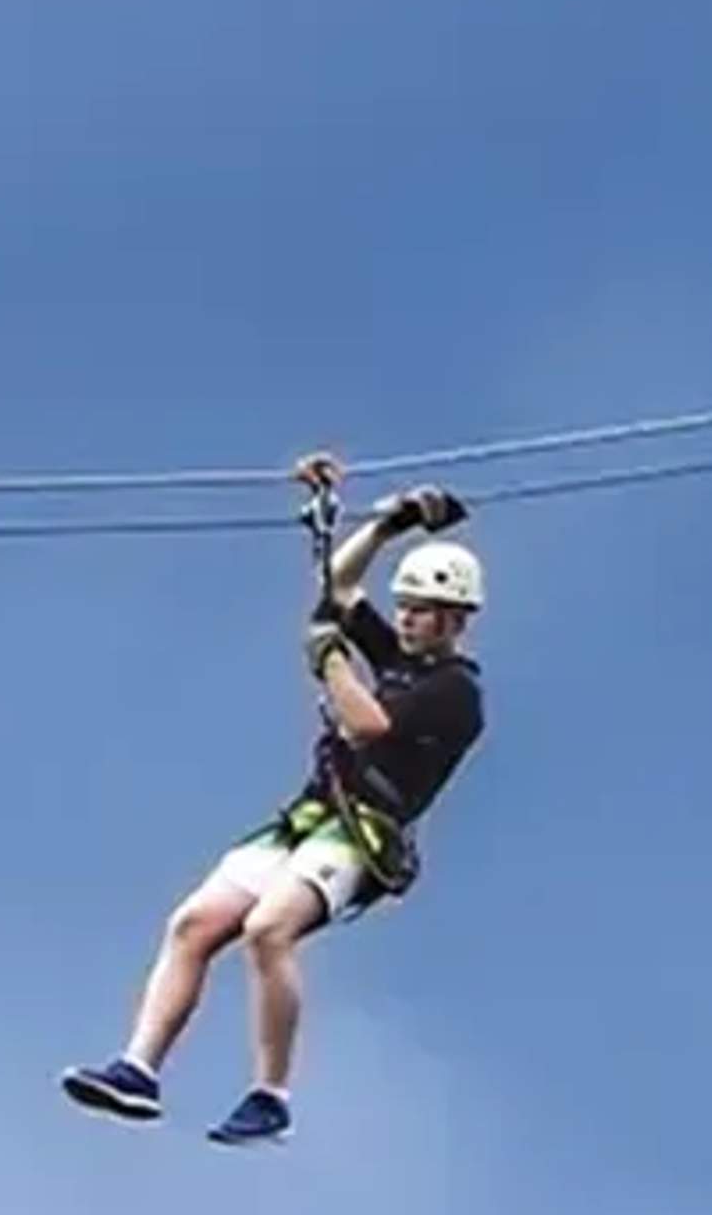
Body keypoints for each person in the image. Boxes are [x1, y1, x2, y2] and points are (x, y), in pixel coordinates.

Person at [58, 451, 488, 1146]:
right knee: (195, 923)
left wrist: (328, 658)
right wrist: (386, 525)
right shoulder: (405, 662)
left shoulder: (457, 692)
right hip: (309, 819)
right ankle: (138, 1069)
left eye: (424, 613)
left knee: (268, 930)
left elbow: (368, 724)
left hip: (361, 834)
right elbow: (340, 591)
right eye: (406, 608)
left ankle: (271, 1097)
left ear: (456, 620)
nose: (406, 621)